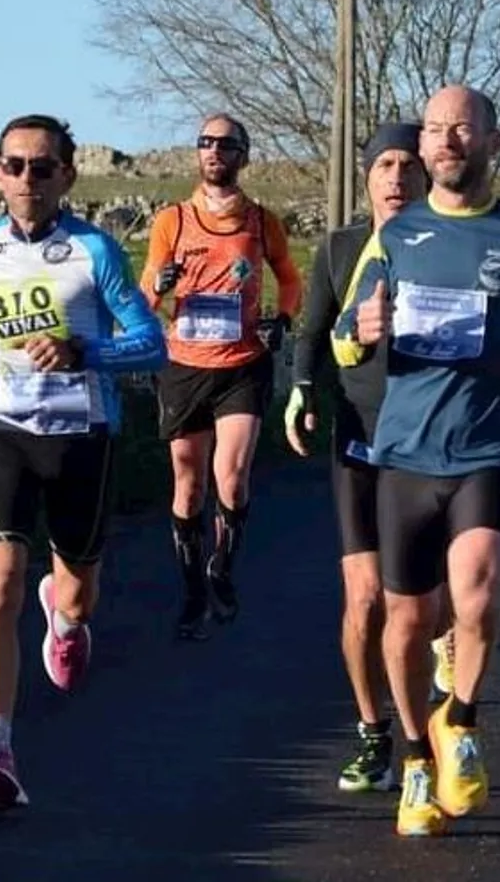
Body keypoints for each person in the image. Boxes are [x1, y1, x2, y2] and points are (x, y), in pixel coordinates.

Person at [331, 84, 500, 837]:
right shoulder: (395, 236)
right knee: (410, 621)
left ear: (493, 141)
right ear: (423, 149)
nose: (448, 141)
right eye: (437, 130)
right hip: (407, 454)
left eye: (463, 129)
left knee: (478, 595)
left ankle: (464, 722)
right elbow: (343, 334)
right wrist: (365, 328)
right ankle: (417, 759)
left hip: (487, 449)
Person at [0, 113, 168, 813]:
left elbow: (151, 344)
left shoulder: (94, 252)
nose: (25, 179)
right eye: (13, 165)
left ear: (68, 175)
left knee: (75, 593)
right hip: (3, 430)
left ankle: (65, 620)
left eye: (41, 167)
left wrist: (81, 352)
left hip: (82, 435)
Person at [286, 120, 450, 794]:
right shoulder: (341, 246)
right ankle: (371, 734)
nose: (396, 177)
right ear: (366, 177)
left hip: (434, 440)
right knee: (363, 599)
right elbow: (313, 330)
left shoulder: (452, 247)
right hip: (358, 436)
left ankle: (439, 655)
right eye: (384, 164)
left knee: (427, 607)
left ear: (428, 176)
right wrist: (302, 390)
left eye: (409, 165)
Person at [141, 114, 305, 640]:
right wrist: (159, 286)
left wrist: (281, 319)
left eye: (226, 145)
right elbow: (145, 292)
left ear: (243, 156)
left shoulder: (262, 221)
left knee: (230, 476)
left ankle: (222, 568)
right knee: (187, 485)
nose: (214, 152)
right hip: (184, 365)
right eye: (205, 143)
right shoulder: (173, 220)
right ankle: (191, 588)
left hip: (242, 363)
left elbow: (290, 278)